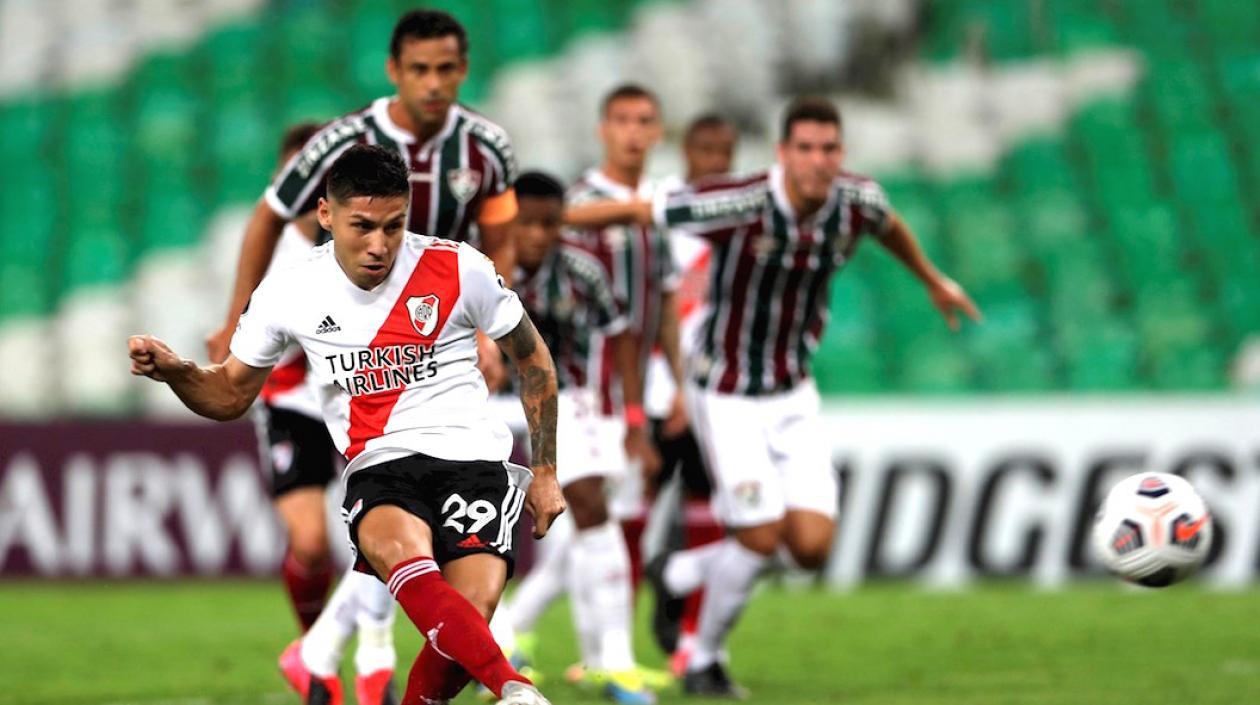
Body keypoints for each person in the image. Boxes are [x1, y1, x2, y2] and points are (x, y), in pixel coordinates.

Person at [566, 97, 982, 697]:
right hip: (725, 391)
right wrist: (552, 220)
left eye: (829, 149)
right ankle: (703, 658)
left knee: (811, 547)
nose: (818, 161)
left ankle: (678, 570)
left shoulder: (856, 200)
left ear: (841, 153)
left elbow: (887, 224)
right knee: (759, 536)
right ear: (783, 153)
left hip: (793, 392)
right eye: (805, 149)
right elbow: (639, 209)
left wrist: (933, 280)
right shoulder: (740, 201)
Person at [130, 145, 562, 705]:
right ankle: (514, 688)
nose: (379, 245)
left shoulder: (461, 268)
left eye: (394, 225)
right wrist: (178, 372)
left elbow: (532, 358)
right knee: (400, 551)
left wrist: (545, 471)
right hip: (381, 464)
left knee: (468, 616)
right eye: (362, 226)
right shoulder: (290, 289)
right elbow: (230, 394)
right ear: (326, 214)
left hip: (474, 458)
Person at [204, 10, 522, 702]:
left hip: (430, 349)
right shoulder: (341, 147)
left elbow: (502, 239)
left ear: (463, 70)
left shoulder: (487, 148)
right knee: (350, 532)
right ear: (393, 70)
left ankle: (339, 656)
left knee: (394, 527)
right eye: (419, 69)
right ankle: (343, 653)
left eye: (446, 69)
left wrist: (487, 330)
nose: (433, 84)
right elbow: (268, 213)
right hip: (332, 370)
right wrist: (234, 318)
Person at [488, 171, 656, 704]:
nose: (537, 235)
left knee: (588, 504)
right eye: (527, 223)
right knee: (478, 527)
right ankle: (502, 645)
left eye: (549, 224)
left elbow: (621, 336)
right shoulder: (480, 266)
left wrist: (633, 417)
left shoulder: (583, 270)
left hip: (567, 400)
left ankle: (617, 663)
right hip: (491, 404)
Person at [641, 113, 738, 675]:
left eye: (725, 151)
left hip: (716, 391)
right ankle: (612, 646)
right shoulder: (666, 213)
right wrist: (676, 387)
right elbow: (660, 309)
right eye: (706, 150)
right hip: (658, 389)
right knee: (628, 515)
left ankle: (691, 635)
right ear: (685, 150)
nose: (717, 162)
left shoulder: (739, 213)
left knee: (713, 512)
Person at [249, 122, 342, 641]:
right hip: (291, 400)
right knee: (310, 543)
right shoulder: (268, 248)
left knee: (383, 541)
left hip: (359, 398)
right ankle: (315, 649)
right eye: (296, 174)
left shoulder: (364, 241)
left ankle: (373, 655)